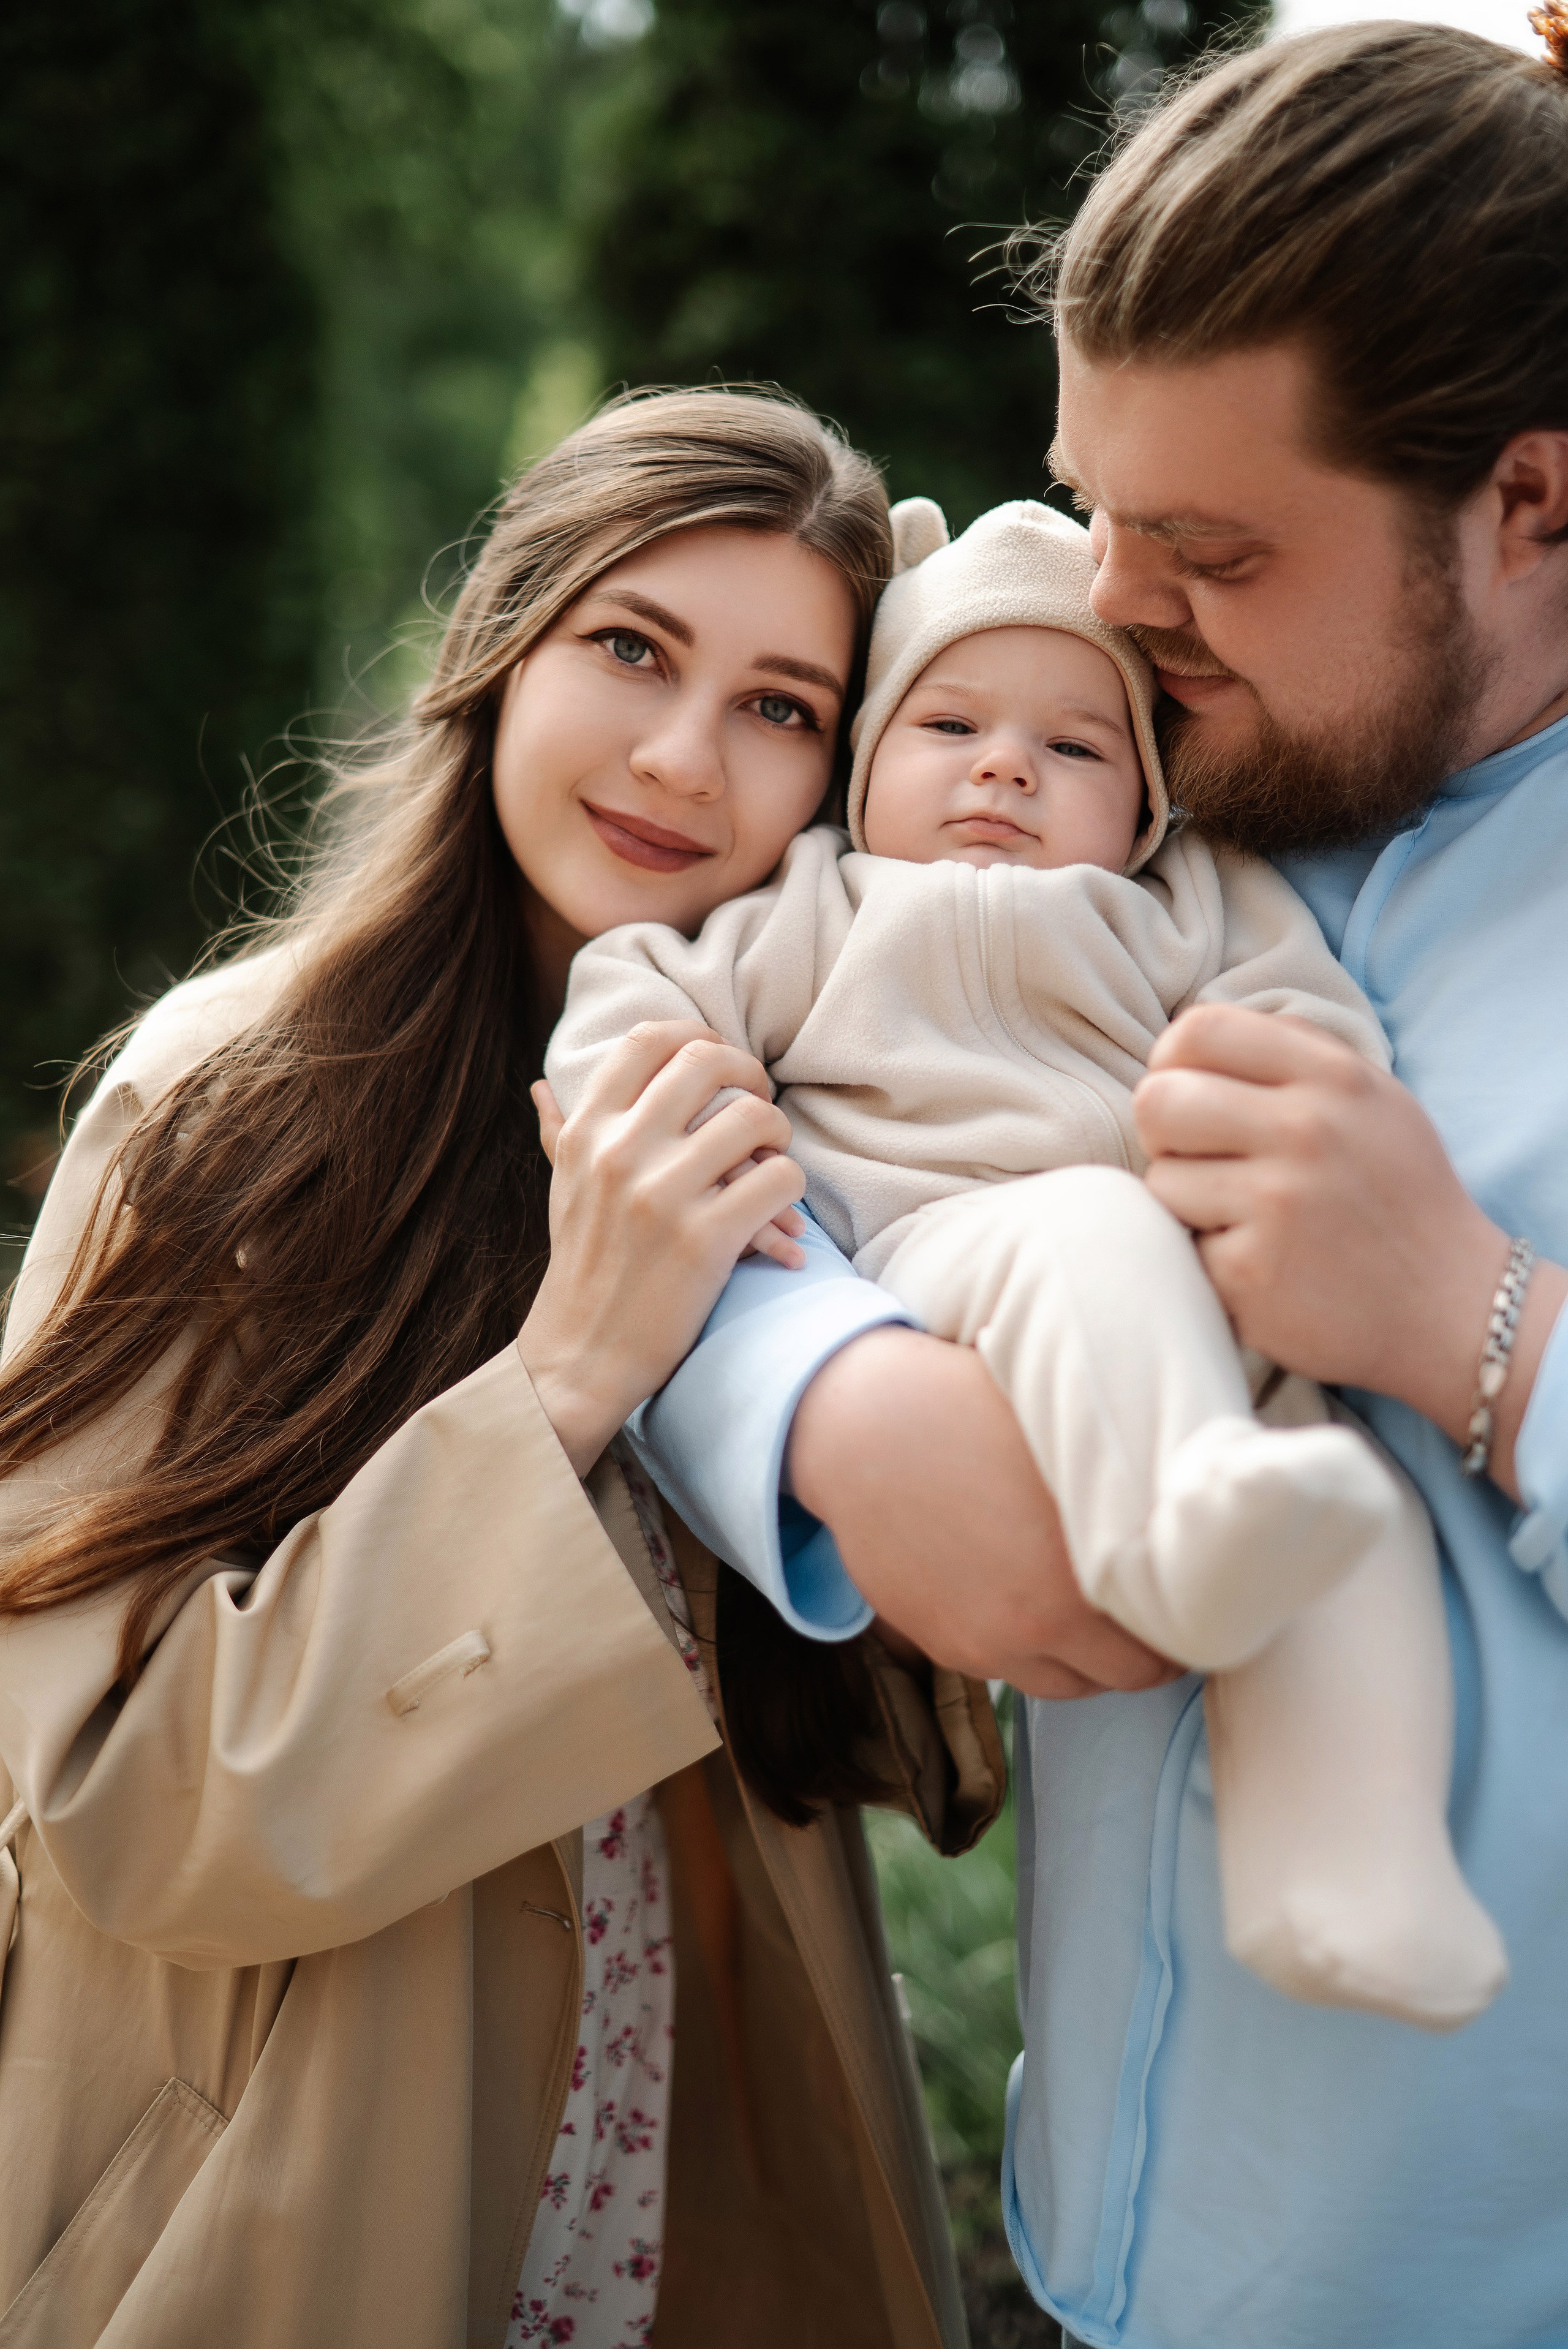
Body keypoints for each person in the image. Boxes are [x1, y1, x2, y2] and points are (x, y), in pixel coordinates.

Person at [633, 19, 1568, 2348]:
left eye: (1217, 550)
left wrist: (1479, 1322)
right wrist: (809, 1393)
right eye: (1098, 506)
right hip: (1093, 2247)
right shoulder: (1145, 791)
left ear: (1536, 505)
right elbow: (732, 1121)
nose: (1120, 611)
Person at [0, 387, 1012, 2349]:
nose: (679, 756)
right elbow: (108, 1794)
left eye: (782, 706)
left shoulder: (809, 1136)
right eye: (630, 648)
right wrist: (564, 1378)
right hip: (294, 2211)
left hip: (690, 2204)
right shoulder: (230, 1106)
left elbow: (896, 1730)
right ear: (500, 645)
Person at [549, 488, 1507, 2032]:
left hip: (1201, 1290)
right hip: (941, 1254)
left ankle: (1337, 1861)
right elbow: (633, 1002)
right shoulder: (820, 905)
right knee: (1087, 1237)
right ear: (864, 774)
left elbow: (1309, 1024)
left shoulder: (1188, 901)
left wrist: (1276, 1106)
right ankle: (1181, 1519)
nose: (1005, 765)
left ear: (1143, 809)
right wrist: (669, 1121)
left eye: (1075, 747)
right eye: (948, 725)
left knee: (1356, 1518)